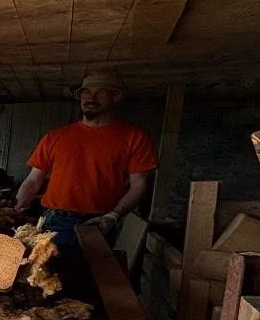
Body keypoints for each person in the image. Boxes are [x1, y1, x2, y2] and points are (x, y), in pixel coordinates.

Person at [14, 72, 157, 248]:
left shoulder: (134, 137)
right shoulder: (55, 137)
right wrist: (17, 208)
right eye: (86, 92)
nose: (91, 98)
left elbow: (139, 184)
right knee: (46, 272)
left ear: (116, 97)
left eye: (101, 92)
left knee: (91, 274)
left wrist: (112, 216)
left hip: (99, 223)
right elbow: (34, 179)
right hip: (54, 222)